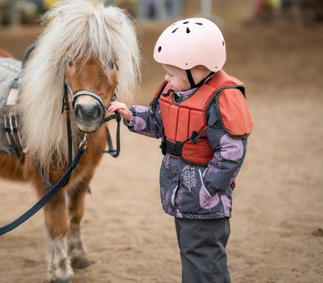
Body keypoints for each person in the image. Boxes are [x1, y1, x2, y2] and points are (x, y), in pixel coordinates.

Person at [108, 18, 253, 283]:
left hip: (204, 203)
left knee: (204, 262)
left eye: (172, 73)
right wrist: (129, 114)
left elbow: (231, 153)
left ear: (199, 70)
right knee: (192, 255)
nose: (166, 78)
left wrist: (205, 189)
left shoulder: (222, 99)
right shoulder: (174, 92)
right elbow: (158, 121)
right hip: (183, 197)